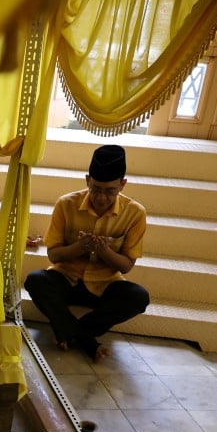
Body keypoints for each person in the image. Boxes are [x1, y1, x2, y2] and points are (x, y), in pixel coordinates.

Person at [24, 144, 150, 362]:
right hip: (67, 278)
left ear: (122, 184)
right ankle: (86, 340)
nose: (101, 198)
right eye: (96, 189)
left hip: (105, 284)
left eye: (110, 191)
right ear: (87, 180)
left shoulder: (135, 213)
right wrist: (80, 247)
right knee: (36, 280)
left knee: (138, 297)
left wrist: (104, 251)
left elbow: (126, 265)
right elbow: (53, 256)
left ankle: (71, 332)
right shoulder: (66, 204)